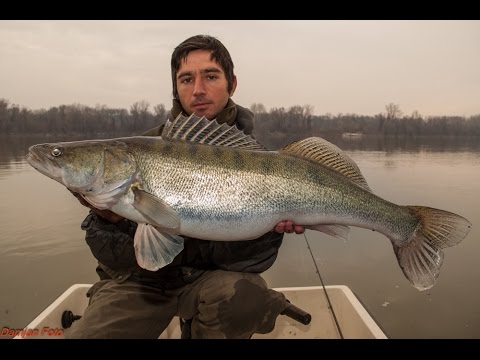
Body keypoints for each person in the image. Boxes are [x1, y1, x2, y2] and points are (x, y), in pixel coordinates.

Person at [68, 34, 305, 339]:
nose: (198, 90)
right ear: (176, 89)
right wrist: (106, 219)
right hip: (142, 281)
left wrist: (271, 229)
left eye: (210, 76)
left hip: (211, 281)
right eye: (186, 79)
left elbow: (251, 263)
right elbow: (112, 260)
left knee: (246, 298)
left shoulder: (256, 159)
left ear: (232, 84)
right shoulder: (136, 152)